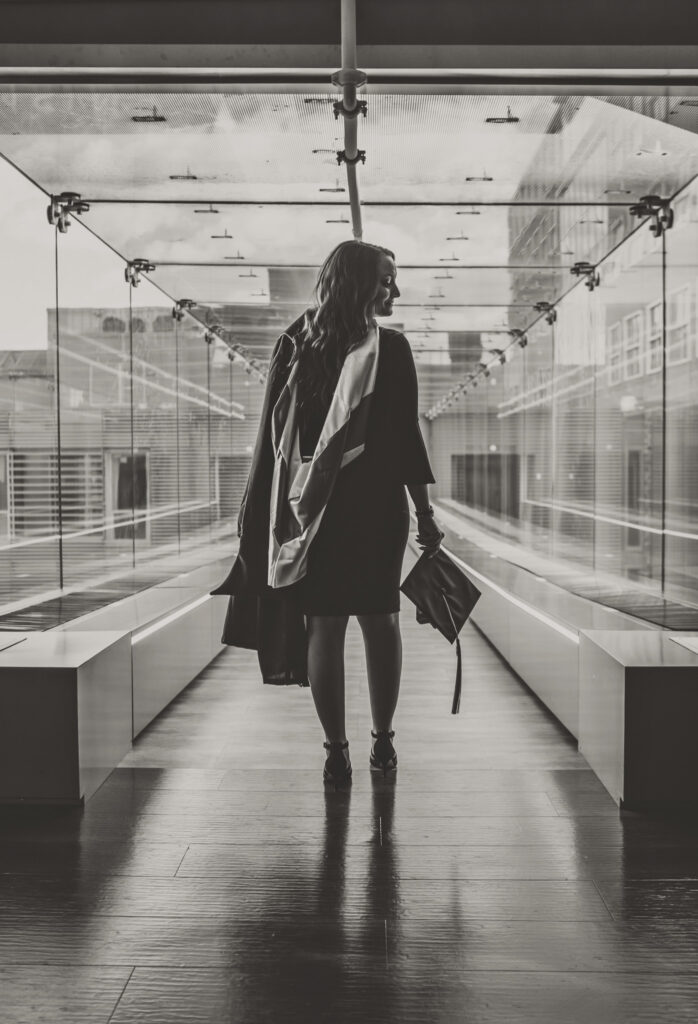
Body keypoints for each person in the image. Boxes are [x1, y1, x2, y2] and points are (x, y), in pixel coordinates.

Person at [211, 240, 443, 784]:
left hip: (311, 512)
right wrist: (425, 514)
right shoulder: (392, 348)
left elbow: (273, 442)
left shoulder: (295, 345)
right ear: (360, 283)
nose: (396, 290)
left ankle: (335, 751)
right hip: (377, 509)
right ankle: (382, 744)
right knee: (381, 623)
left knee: (326, 629)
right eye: (387, 279)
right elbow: (406, 440)